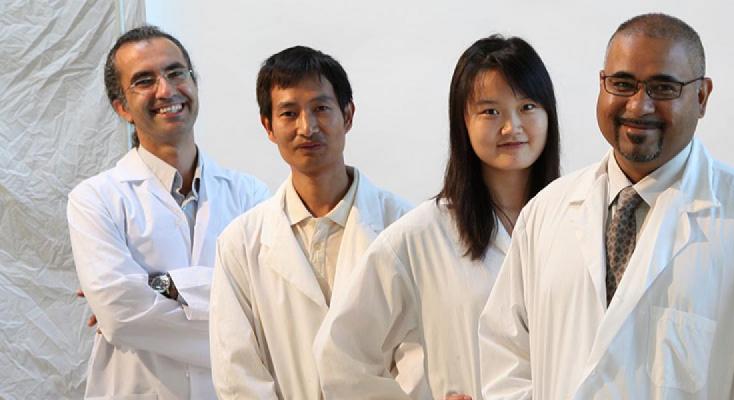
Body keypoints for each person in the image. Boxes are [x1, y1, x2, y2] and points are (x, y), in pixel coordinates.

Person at [477, 13, 734, 399]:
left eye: (663, 88)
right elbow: (505, 361)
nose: (639, 106)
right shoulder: (545, 213)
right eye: (622, 84)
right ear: (602, 85)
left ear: (702, 96)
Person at [313, 35, 561, 400]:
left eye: (527, 106)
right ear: (463, 121)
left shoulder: (573, 222)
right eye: (490, 111)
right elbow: (338, 355)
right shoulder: (421, 235)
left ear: (548, 114)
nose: (512, 127)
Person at [68, 25, 269, 400]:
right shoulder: (94, 199)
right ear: (122, 107)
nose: (166, 90)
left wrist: (160, 284)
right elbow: (120, 315)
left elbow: (269, 306)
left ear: (194, 83)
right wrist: (235, 322)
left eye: (176, 72)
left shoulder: (250, 196)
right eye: (144, 81)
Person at [208, 45, 413, 399]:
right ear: (268, 126)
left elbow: (419, 352)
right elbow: (236, 373)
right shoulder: (240, 243)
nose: (308, 127)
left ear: (348, 115)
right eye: (289, 113)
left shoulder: (404, 226)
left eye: (321, 108)